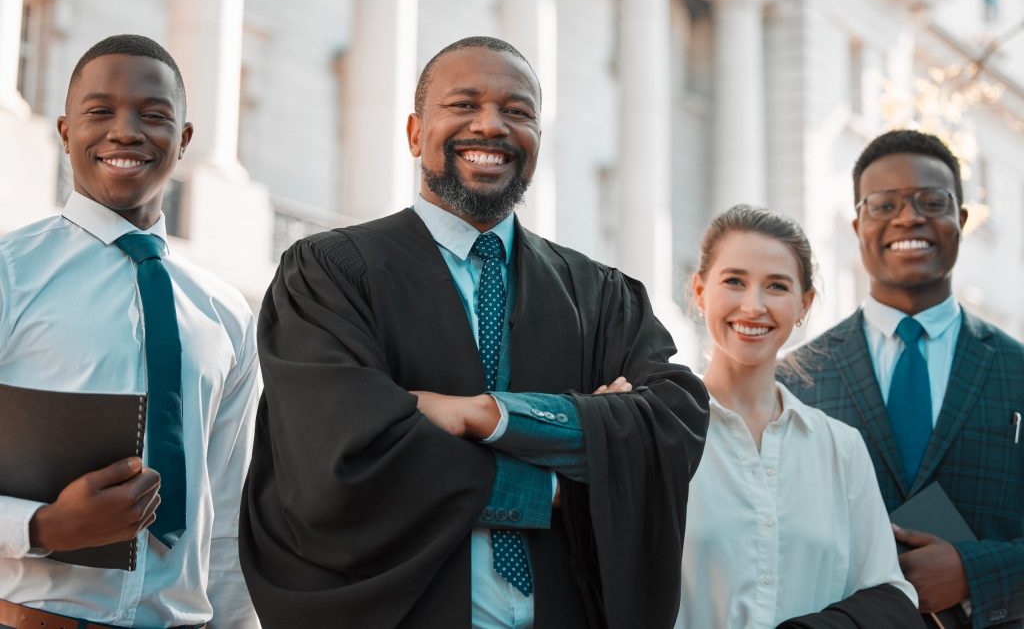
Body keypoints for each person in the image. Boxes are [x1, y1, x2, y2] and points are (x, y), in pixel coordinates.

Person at [239, 36, 710, 629]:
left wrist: (486, 415)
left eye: (517, 112)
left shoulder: (599, 294)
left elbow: (672, 420)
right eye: (463, 105)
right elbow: (341, 452)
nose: (491, 126)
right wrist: (561, 479)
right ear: (415, 133)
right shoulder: (331, 274)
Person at [0, 35, 260, 628]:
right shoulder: (9, 276)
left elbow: (224, 512)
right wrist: (42, 527)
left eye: (154, 115)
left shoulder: (226, 314)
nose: (126, 131)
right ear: (65, 131)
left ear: (185, 140)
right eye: (100, 112)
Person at [781, 129, 1024, 628]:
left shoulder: (1016, 370)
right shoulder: (793, 382)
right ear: (857, 226)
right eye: (884, 204)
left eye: (930, 201)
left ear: (960, 219)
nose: (908, 217)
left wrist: (974, 573)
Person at [675, 204, 921, 628]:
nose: (753, 306)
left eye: (776, 286)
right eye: (734, 281)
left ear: (804, 304)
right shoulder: (658, 431)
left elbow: (890, 593)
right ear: (700, 292)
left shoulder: (841, 448)